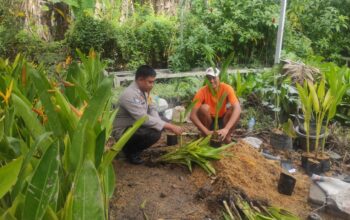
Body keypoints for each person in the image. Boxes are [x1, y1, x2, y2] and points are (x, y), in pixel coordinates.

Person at [113, 65, 183, 164]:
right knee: (154, 133)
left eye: (153, 81)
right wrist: (168, 126)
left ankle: (132, 148)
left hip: (134, 125)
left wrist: (161, 122)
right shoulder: (129, 94)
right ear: (140, 79)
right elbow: (143, 118)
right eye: (150, 82)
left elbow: (152, 108)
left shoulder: (144, 91)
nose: (152, 85)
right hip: (122, 130)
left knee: (163, 121)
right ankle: (129, 152)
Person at [190, 67, 241, 144]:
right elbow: (192, 115)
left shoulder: (227, 88)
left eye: (214, 78)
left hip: (222, 120)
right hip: (208, 121)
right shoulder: (202, 91)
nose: (211, 81)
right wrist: (206, 131)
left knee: (233, 109)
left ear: (219, 78)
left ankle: (227, 136)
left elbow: (238, 109)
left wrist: (226, 129)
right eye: (209, 78)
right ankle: (205, 135)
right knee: (203, 108)